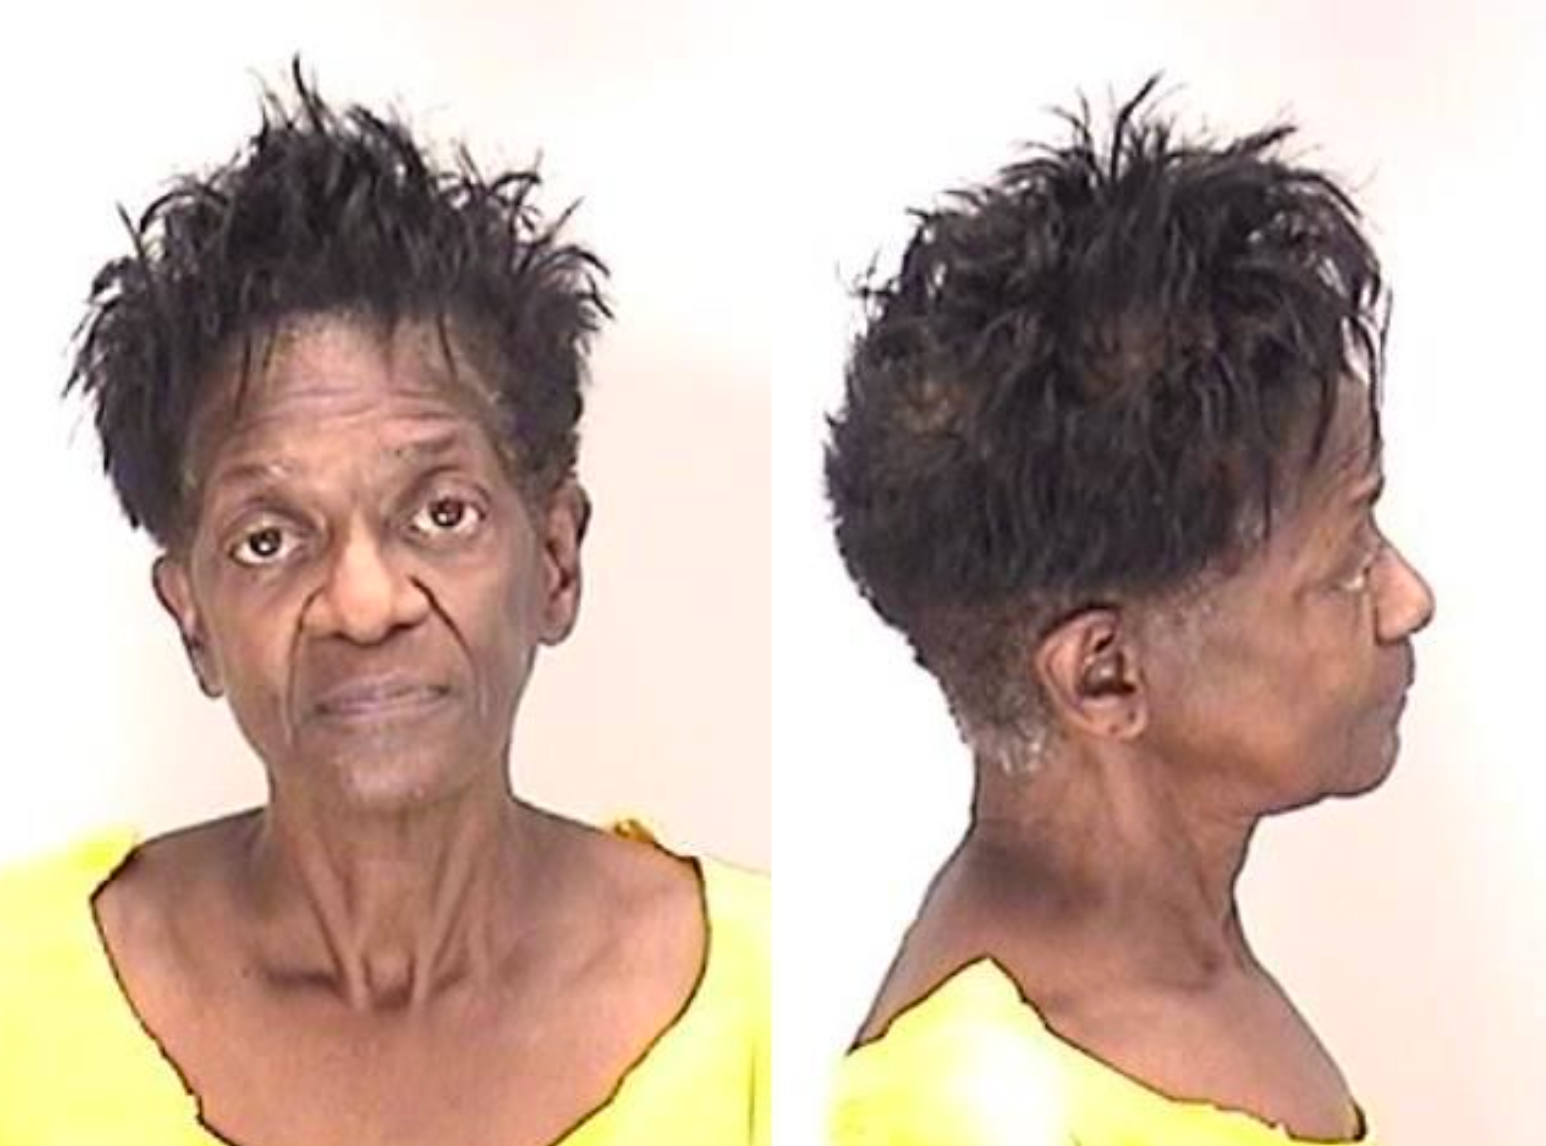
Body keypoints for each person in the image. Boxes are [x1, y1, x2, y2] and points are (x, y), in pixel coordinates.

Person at [0, 69, 766, 1146]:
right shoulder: (17, 1004)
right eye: (269, 540)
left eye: (441, 514)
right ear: (192, 620)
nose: (364, 606)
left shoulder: (778, 1007)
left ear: (554, 560)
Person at [825, 85, 1434, 1146]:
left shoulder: (1183, 958)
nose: (1407, 598)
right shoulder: (967, 1114)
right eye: (1347, 562)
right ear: (1105, 674)